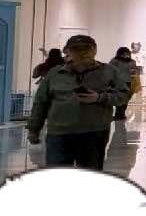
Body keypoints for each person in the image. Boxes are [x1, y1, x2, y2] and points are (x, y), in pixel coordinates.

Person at [26, 35, 116, 169]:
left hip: (93, 133)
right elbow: (41, 102)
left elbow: (122, 95)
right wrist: (34, 129)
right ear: (67, 51)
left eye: (87, 49)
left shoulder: (108, 72)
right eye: (77, 49)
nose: (83, 53)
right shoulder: (55, 74)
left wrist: (99, 97)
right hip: (59, 134)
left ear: (95, 51)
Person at [104, 46, 139, 122]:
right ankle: (119, 115)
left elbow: (134, 72)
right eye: (123, 54)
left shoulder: (132, 62)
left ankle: (121, 114)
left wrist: (134, 73)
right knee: (119, 99)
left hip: (128, 83)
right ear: (119, 54)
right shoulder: (114, 61)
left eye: (127, 53)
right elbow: (109, 71)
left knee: (126, 100)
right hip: (117, 83)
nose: (125, 55)